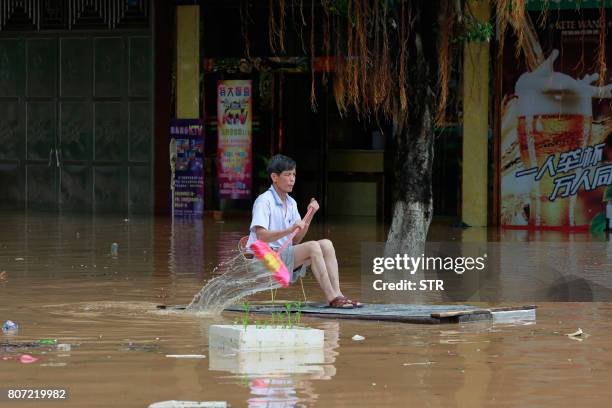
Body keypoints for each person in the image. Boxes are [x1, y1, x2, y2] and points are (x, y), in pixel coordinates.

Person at [246, 154, 362, 308]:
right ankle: (332, 298)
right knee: (313, 246)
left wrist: (310, 215)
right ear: (274, 177)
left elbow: (295, 240)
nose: (292, 179)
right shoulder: (264, 201)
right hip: (265, 260)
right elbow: (261, 236)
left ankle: (338, 294)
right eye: (287, 174)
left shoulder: (291, 203)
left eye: (294, 174)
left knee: (326, 244)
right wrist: (289, 229)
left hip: (283, 256)